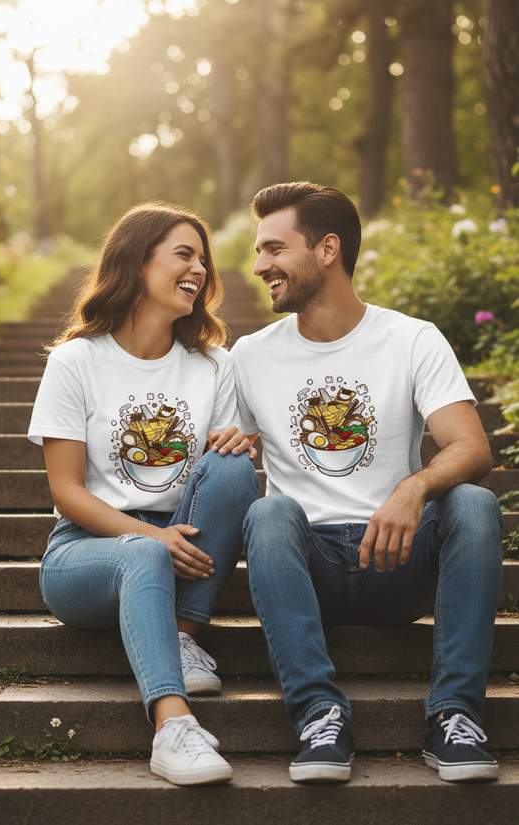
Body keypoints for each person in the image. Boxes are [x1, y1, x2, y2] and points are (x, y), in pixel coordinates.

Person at [230, 181, 503, 784]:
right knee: (268, 513)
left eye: (274, 248)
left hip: (396, 558)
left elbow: (472, 447)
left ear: (327, 249)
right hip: (310, 569)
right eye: (258, 251)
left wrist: (413, 488)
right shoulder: (248, 355)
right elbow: (223, 448)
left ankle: (455, 715)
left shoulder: (412, 339)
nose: (259, 266)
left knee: (474, 504)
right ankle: (318, 716)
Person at [28, 202, 259, 786]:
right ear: (136, 262)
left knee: (234, 468)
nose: (199, 269)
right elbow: (66, 492)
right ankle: (172, 727)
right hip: (87, 550)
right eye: (183, 254)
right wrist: (150, 538)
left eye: (203, 259)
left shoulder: (214, 365)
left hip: (183, 536)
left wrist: (238, 443)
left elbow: (220, 480)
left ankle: (182, 635)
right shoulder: (75, 361)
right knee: (144, 554)